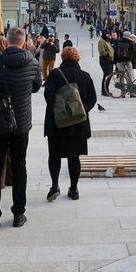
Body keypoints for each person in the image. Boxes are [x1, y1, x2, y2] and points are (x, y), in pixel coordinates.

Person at [0, 27, 42, 231]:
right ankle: (18, 214)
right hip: (21, 123)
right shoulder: (32, 62)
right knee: (20, 166)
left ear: (6, 43)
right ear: (23, 43)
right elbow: (36, 87)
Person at [43, 46, 97, 202]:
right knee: (74, 157)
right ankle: (74, 189)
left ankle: (54, 185)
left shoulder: (54, 75)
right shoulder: (85, 76)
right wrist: (80, 110)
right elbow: (92, 99)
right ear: (77, 58)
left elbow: (49, 98)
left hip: (57, 123)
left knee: (54, 155)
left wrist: (61, 112)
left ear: (63, 57)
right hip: (78, 123)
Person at [114, 32, 136, 97]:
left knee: (121, 77)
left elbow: (115, 52)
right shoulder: (130, 42)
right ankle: (131, 93)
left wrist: (115, 62)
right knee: (130, 76)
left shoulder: (119, 42)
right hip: (128, 61)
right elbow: (135, 52)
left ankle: (123, 93)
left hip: (120, 61)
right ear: (129, 36)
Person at [97, 31, 115, 96]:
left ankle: (106, 90)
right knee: (106, 75)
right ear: (104, 34)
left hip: (110, 60)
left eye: (109, 34)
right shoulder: (101, 41)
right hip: (105, 60)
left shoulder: (107, 41)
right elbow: (102, 52)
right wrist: (108, 54)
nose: (108, 36)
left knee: (109, 76)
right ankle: (104, 91)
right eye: (107, 34)